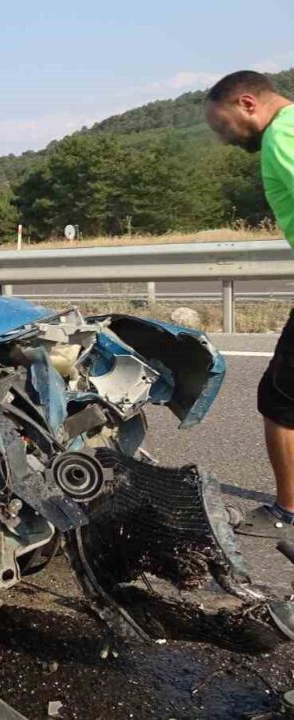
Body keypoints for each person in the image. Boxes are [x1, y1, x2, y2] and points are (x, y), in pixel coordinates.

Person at [205, 70, 294, 536]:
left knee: (280, 399)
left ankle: (286, 511)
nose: (224, 139)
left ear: (246, 103)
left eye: (223, 127)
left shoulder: (282, 137)